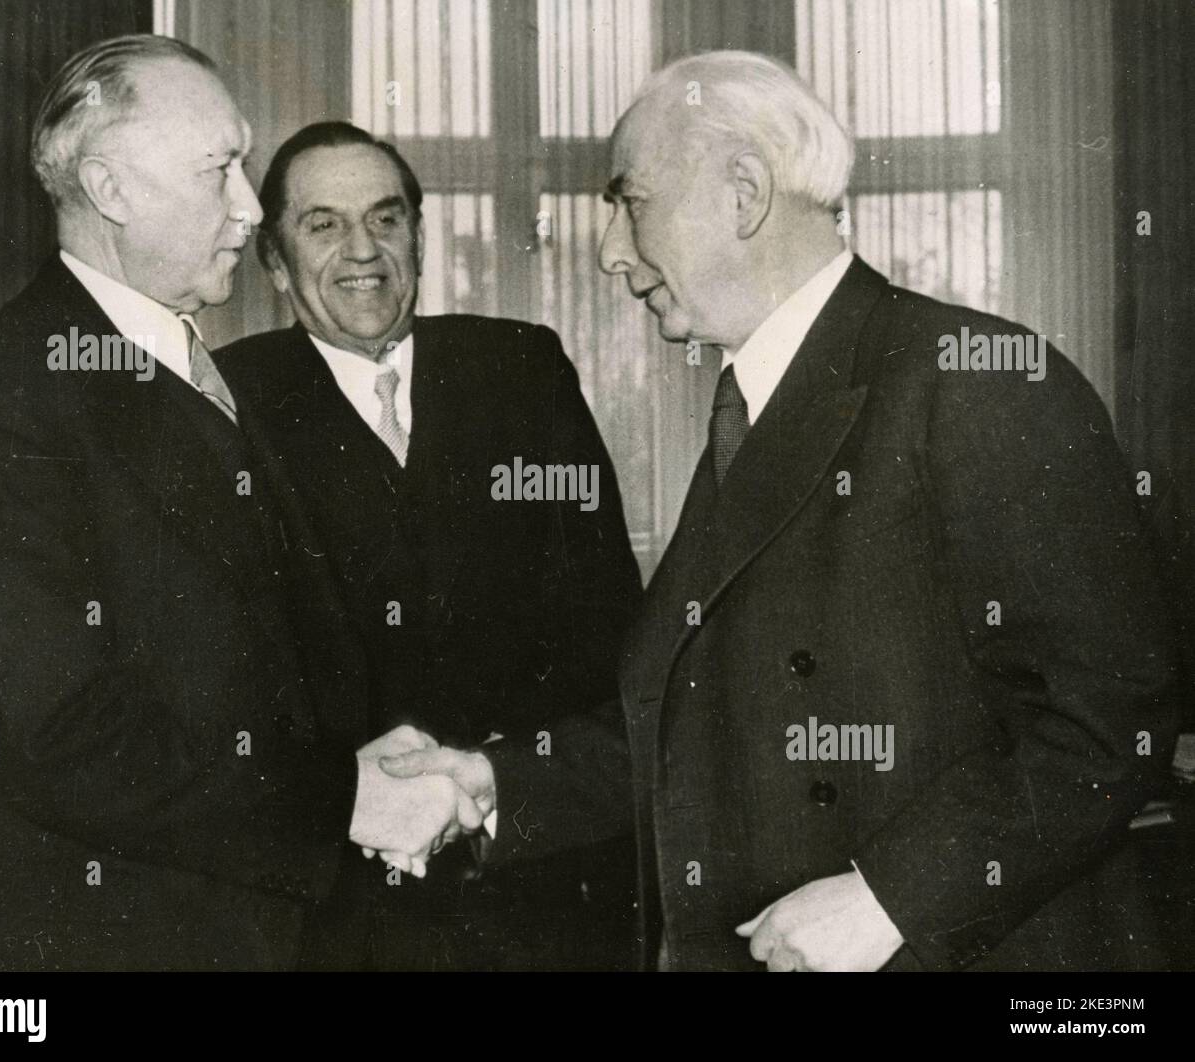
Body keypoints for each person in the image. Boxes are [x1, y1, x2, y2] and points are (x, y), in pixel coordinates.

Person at [385, 50, 1183, 971]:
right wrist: (487, 779)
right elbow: (699, 719)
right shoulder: (755, 404)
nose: (608, 252)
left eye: (629, 202)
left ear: (743, 194)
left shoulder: (972, 381)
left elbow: (1107, 717)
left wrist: (894, 899)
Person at [0, 35, 473, 972]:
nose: (250, 210)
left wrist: (368, 760)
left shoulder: (173, 355)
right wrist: (346, 800)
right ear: (110, 190)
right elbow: (59, 735)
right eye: (219, 171)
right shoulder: (9, 405)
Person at [214, 122, 643, 970]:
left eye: (386, 218)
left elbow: (609, 626)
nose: (362, 250)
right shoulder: (228, 402)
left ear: (419, 233)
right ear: (272, 260)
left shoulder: (521, 368)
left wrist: (500, 789)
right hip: (335, 912)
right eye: (323, 224)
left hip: (530, 882)